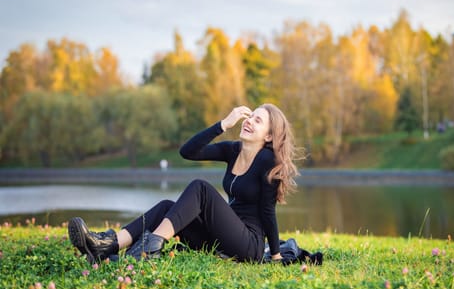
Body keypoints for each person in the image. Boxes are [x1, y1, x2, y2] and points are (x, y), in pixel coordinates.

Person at [68, 104, 300, 263]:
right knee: (165, 206)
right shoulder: (233, 150)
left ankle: (150, 248)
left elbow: (268, 211)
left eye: (257, 121)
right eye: (249, 116)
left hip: (248, 244)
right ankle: (108, 245)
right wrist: (223, 125)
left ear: (268, 136)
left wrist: (277, 255)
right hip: (222, 236)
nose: (248, 121)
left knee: (201, 188)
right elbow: (188, 152)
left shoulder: (268, 160)